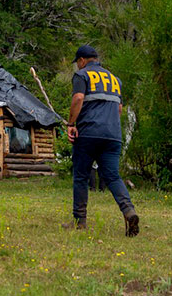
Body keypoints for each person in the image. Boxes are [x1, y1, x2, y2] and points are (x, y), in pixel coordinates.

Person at [61, 45, 140, 237]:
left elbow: (79, 98)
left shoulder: (82, 75)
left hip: (88, 133)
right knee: (112, 176)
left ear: (81, 61)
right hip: (113, 135)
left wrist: (71, 123)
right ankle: (128, 211)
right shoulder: (115, 79)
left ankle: (80, 222)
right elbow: (119, 109)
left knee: (81, 175)